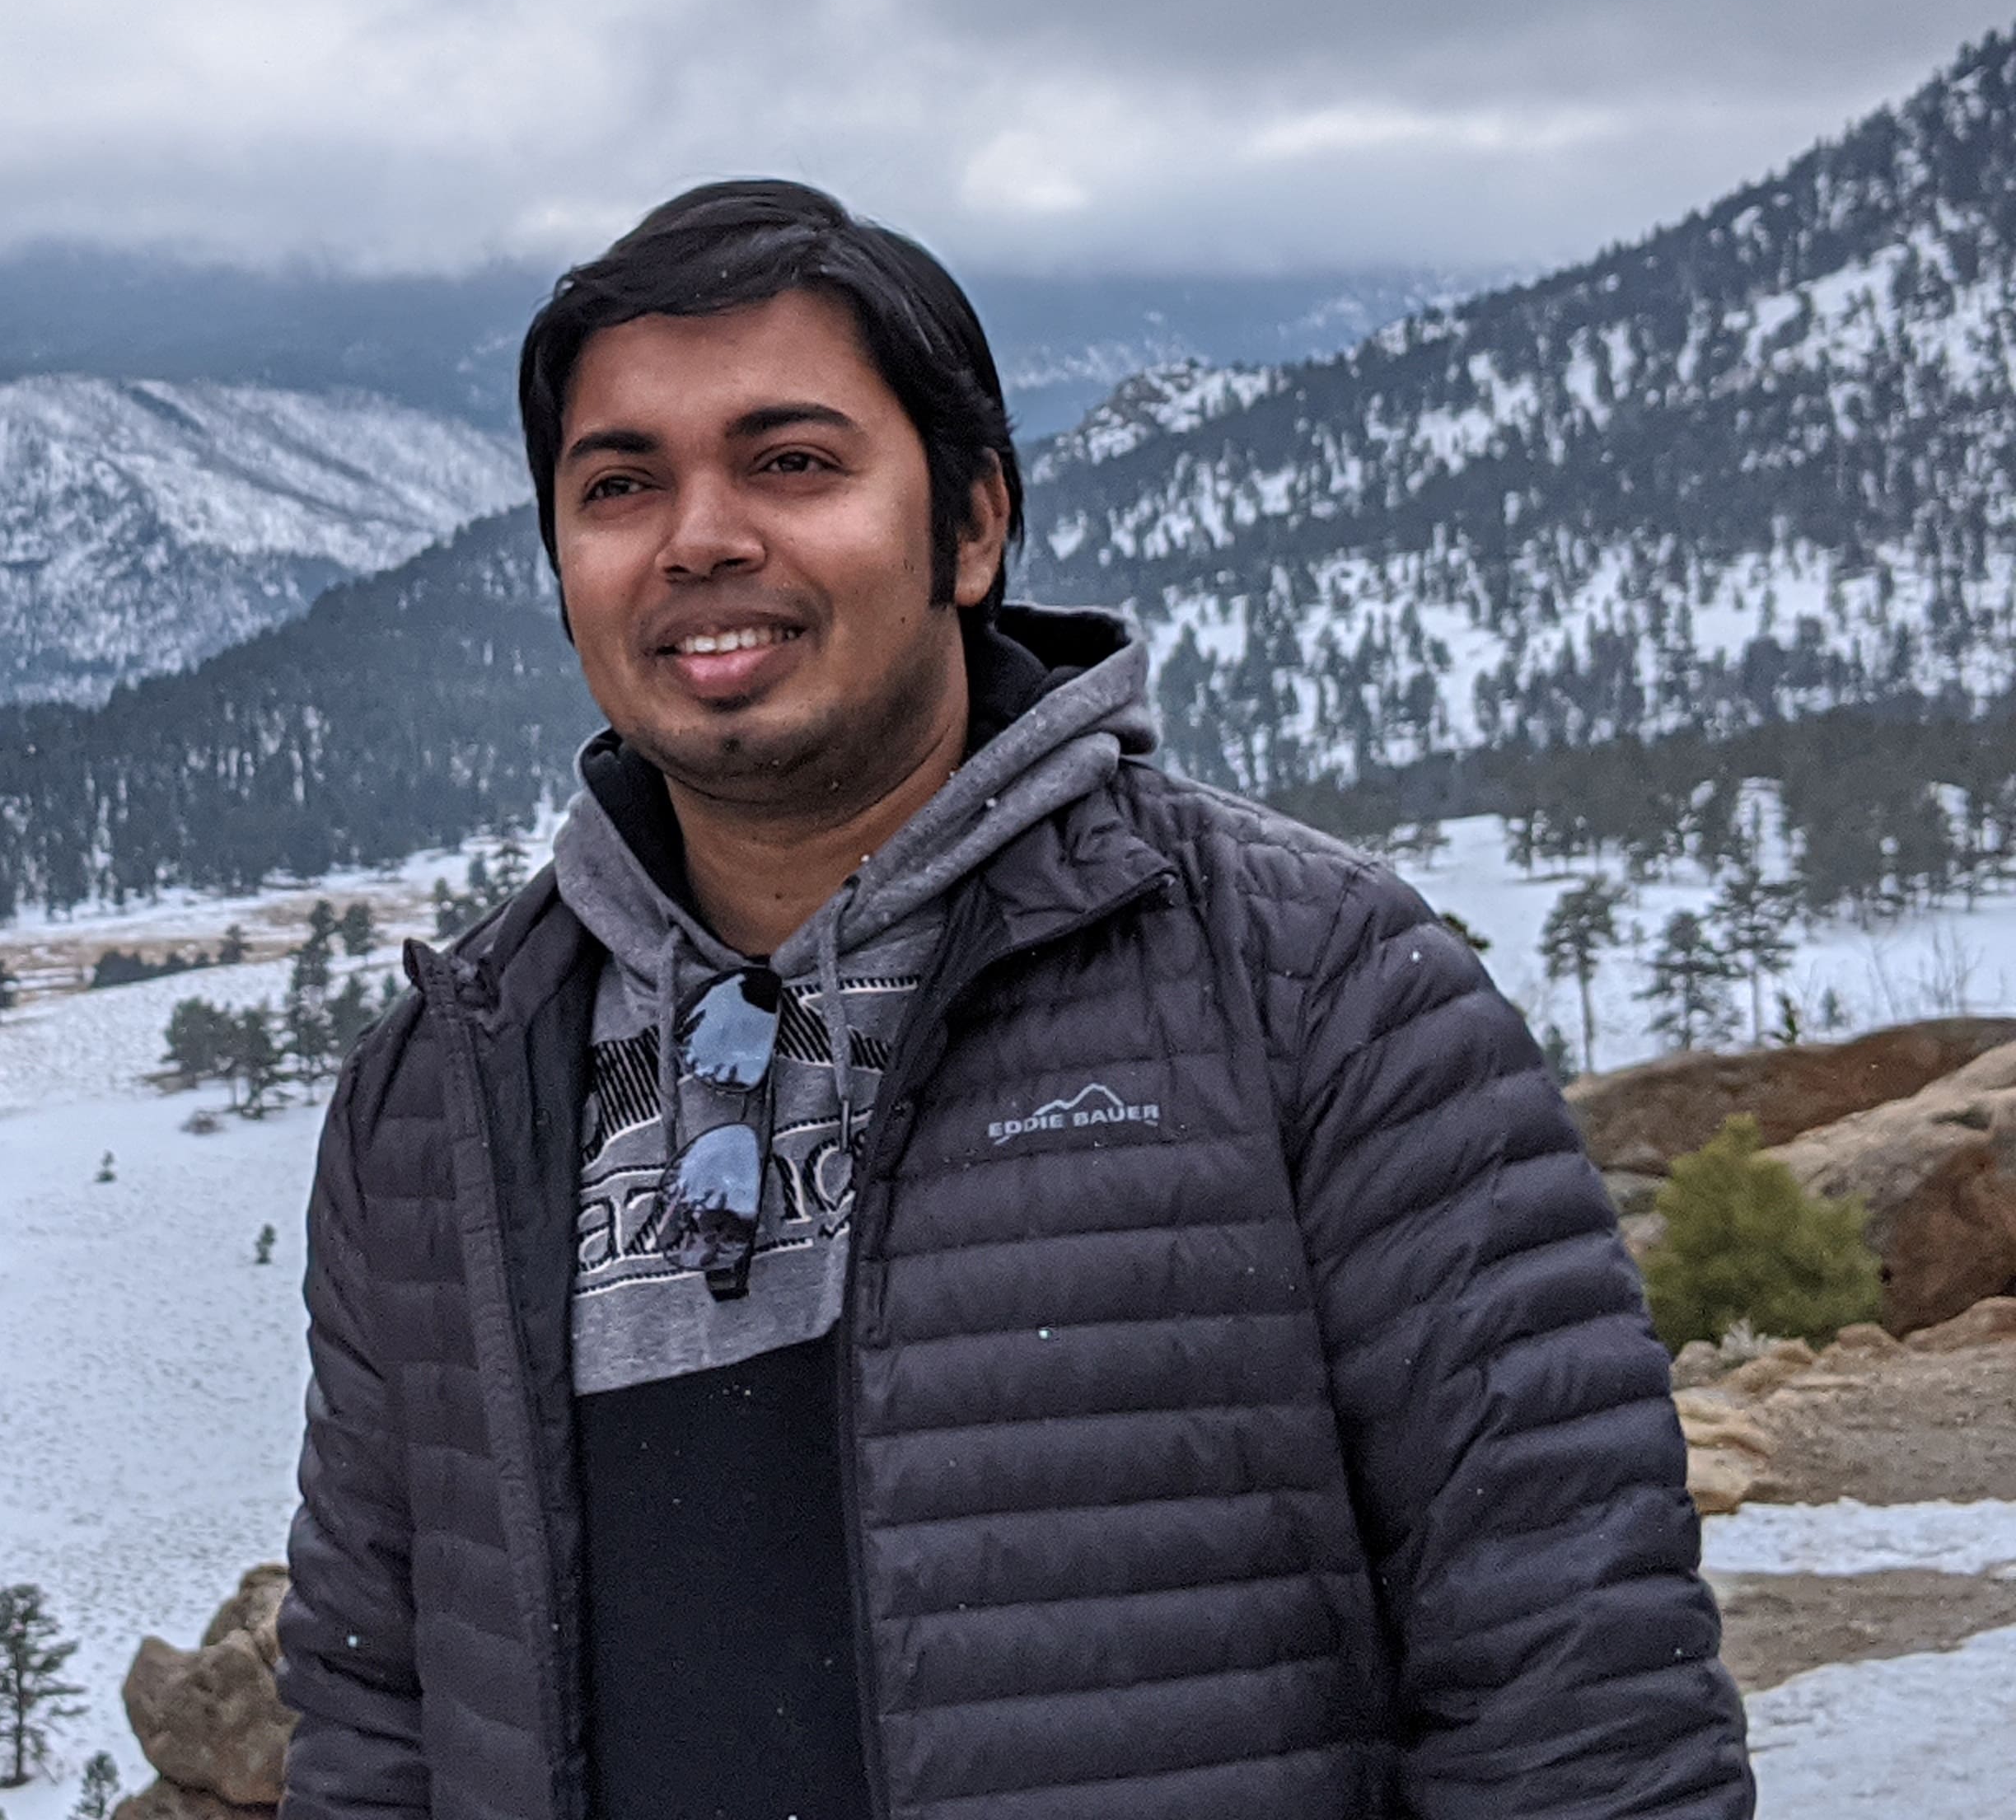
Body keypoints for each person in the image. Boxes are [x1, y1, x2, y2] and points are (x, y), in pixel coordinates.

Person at [277, 181, 1747, 1820]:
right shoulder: (449, 1089)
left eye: (793, 462)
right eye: (621, 485)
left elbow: (1575, 1691)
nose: (698, 538)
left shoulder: (1314, 991)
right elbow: (375, 1696)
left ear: (971, 526)